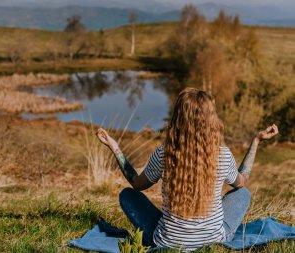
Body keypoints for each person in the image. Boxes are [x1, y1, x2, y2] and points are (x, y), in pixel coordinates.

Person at [96, 87, 279, 251]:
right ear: (211, 120)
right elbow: (242, 181)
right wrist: (256, 141)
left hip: (166, 242)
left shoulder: (164, 154)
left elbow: (136, 184)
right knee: (243, 193)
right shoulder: (222, 155)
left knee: (127, 195)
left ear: (177, 119)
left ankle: (175, 231)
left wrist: (115, 148)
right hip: (214, 240)